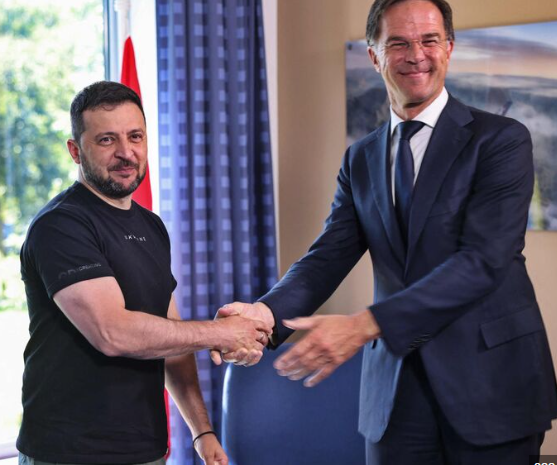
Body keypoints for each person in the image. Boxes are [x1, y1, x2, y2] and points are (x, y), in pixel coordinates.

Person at [214, 0, 557, 463]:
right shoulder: (360, 158)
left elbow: (482, 261)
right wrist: (264, 315)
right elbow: (327, 256)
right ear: (375, 56)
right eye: (398, 43)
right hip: (395, 395)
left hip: (492, 384)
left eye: (429, 40)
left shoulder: (501, 140)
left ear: (449, 48)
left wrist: (362, 325)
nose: (416, 55)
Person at [17, 81, 271, 465]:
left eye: (135, 136)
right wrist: (222, 332)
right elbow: (112, 332)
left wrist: (202, 432)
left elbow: (171, 339)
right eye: (107, 140)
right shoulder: (61, 225)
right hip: (68, 452)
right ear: (75, 150)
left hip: (146, 450)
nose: (126, 152)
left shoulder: (151, 226)